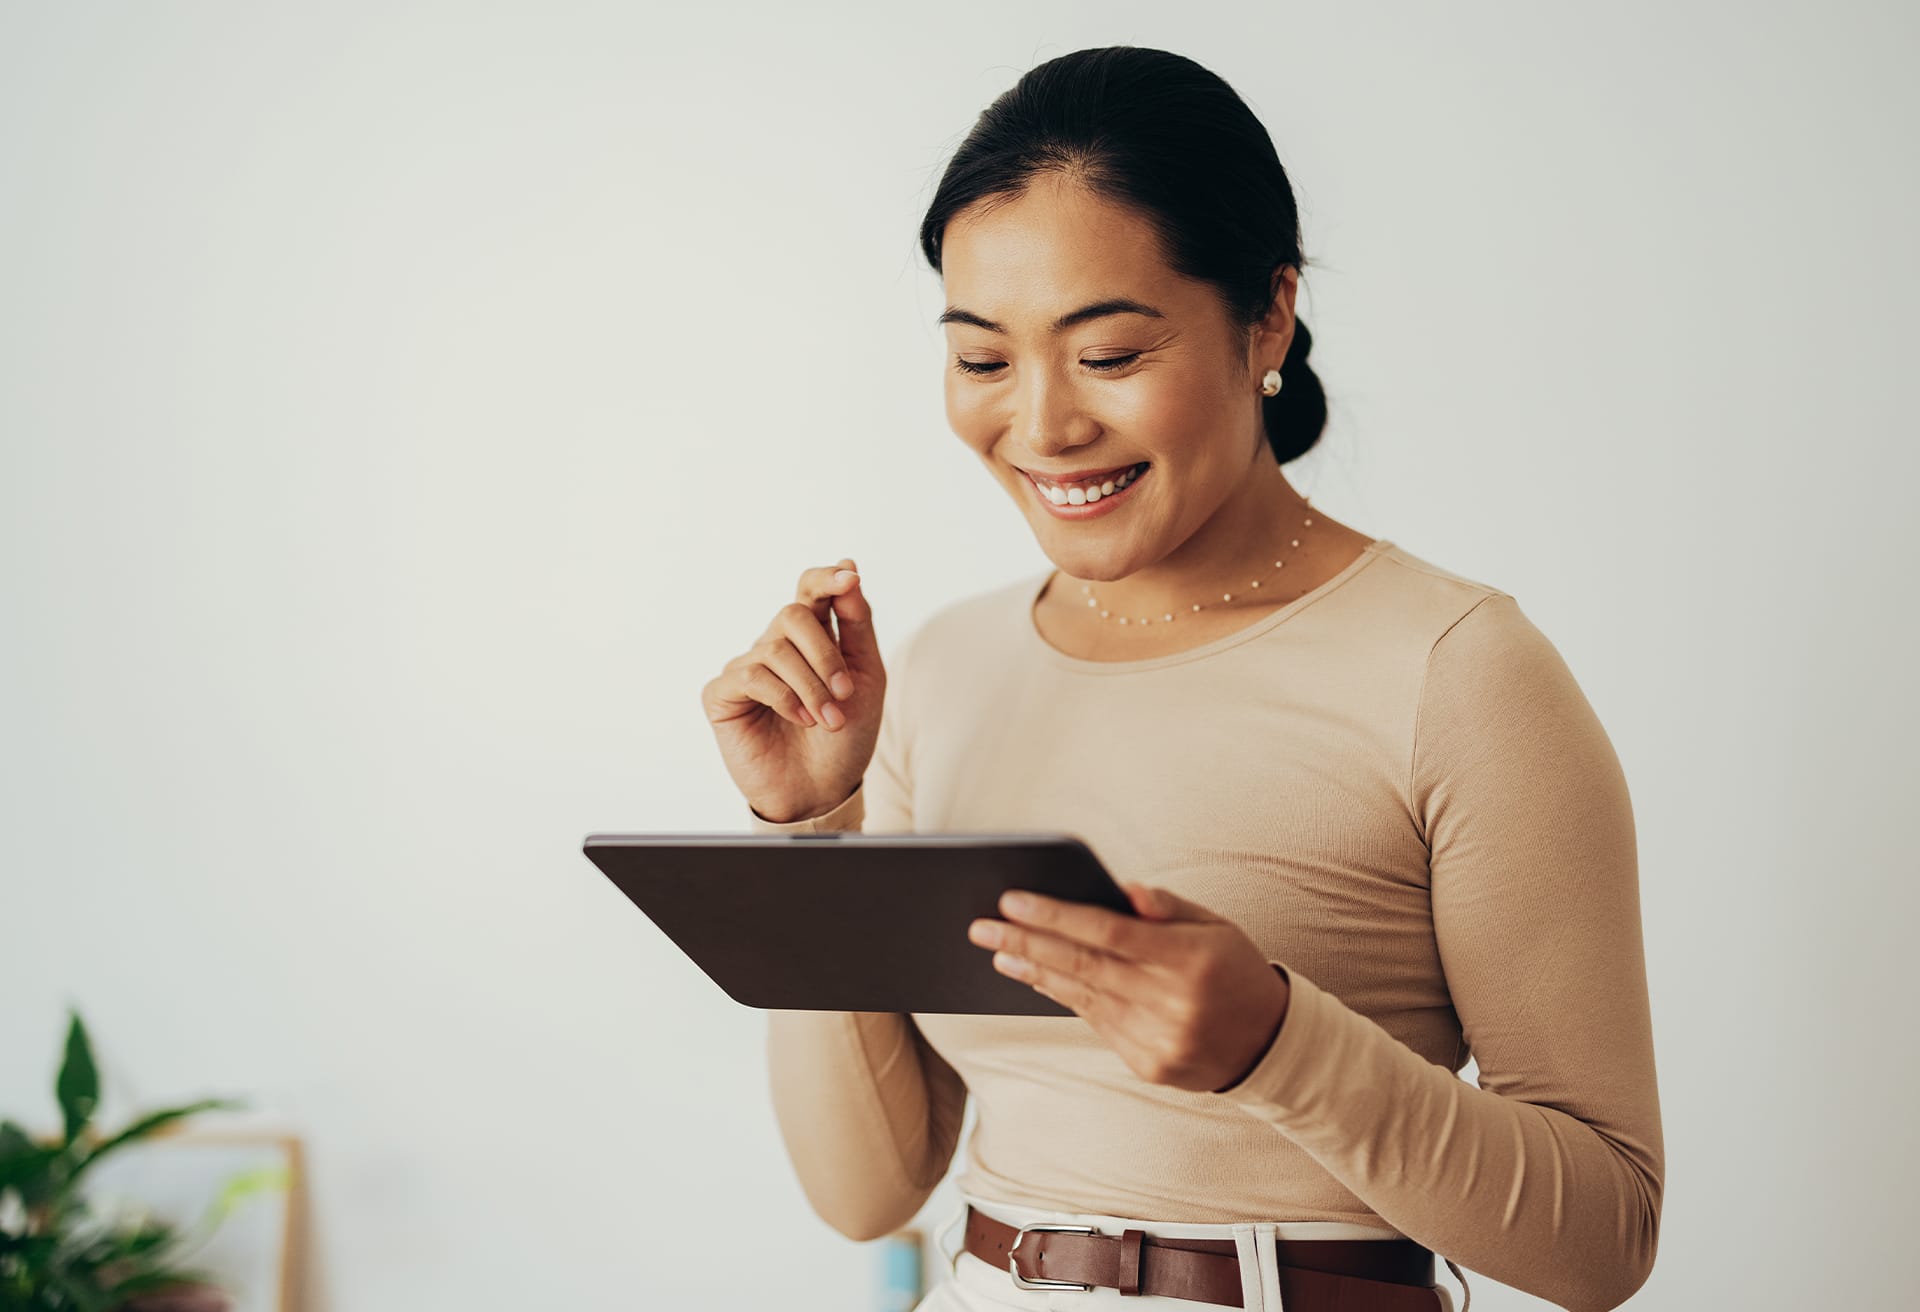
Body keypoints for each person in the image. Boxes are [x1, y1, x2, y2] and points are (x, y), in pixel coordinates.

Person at [700, 45, 1662, 1312]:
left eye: (1106, 354)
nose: (1041, 426)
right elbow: (866, 1191)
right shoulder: (944, 667)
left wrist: (1279, 1043)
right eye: (984, 359)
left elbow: (1606, 1237)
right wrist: (813, 834)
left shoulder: (1459, 671)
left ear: (1268, 314)